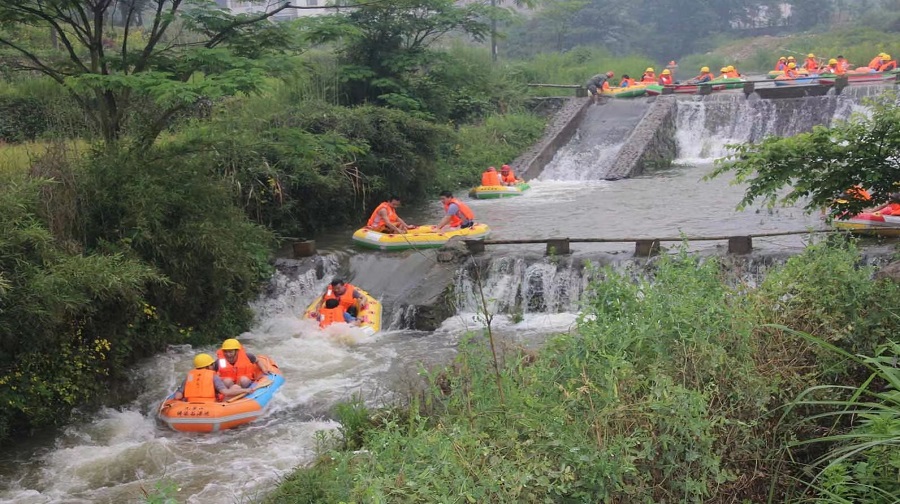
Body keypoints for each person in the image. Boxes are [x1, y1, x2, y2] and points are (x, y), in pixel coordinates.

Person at [174, 353, 249, 401]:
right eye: (212, 364)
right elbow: (226, 392)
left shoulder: (189, 376)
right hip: (211, 405)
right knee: (236, 387)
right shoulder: (213, 375)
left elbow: (178, 396)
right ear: (208, 366)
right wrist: (245, 390)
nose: (213, 366)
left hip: (190, 403)